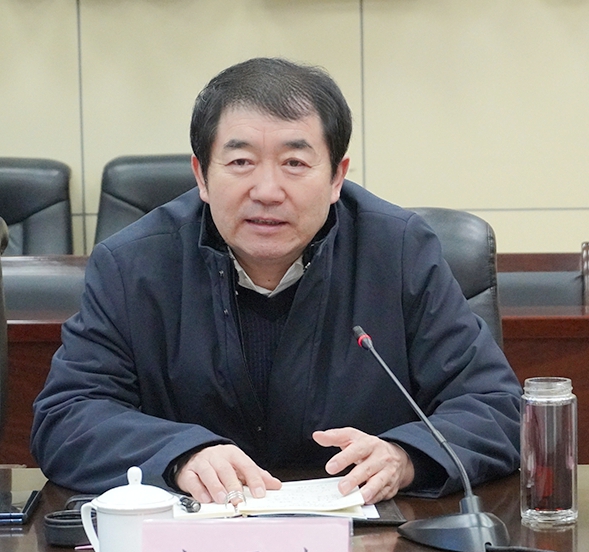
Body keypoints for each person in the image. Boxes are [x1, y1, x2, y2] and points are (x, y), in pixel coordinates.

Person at [31, 57, 521, 505]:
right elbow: (67, 417)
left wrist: (406, 455)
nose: (267, 191)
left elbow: (497, 407)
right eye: (241, 162)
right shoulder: (133, 265)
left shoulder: (398, 252)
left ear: (336, 178)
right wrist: (180, 454)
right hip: (196, 543)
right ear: (201, 176)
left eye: (295, 163)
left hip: (369, 548)